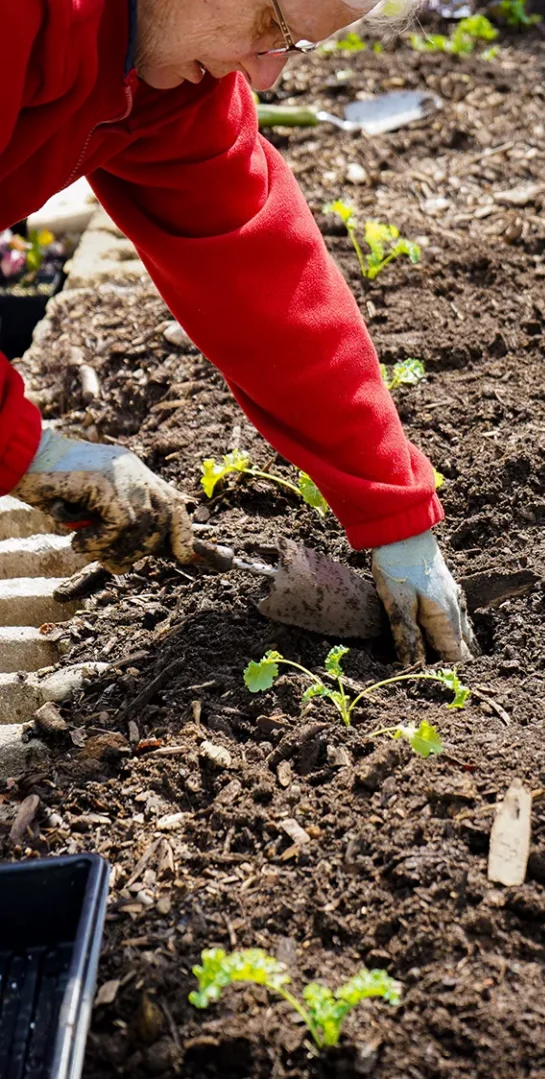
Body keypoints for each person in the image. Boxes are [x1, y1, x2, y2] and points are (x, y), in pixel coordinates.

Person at [0, 0, 478, 664]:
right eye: (268, 26)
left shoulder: (166, 76)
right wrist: (26, 449)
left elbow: (260, 272)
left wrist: (395, 513)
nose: (266, 77)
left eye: (293, 47)